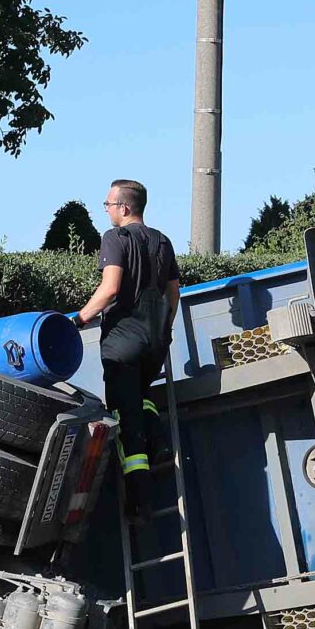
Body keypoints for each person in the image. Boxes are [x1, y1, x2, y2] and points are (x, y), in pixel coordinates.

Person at [73, 179, 181, 487]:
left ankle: (138, 499)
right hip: (156, 343)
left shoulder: (114, 238)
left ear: (124, 207)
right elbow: (174, 293)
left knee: (125, 419)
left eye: (108, 204)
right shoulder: (163, 241)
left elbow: (110, 289)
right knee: (140, 395)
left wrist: (79, 320)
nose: (106, 210)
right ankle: (159, 441)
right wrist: (165, 326)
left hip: (123, 342)